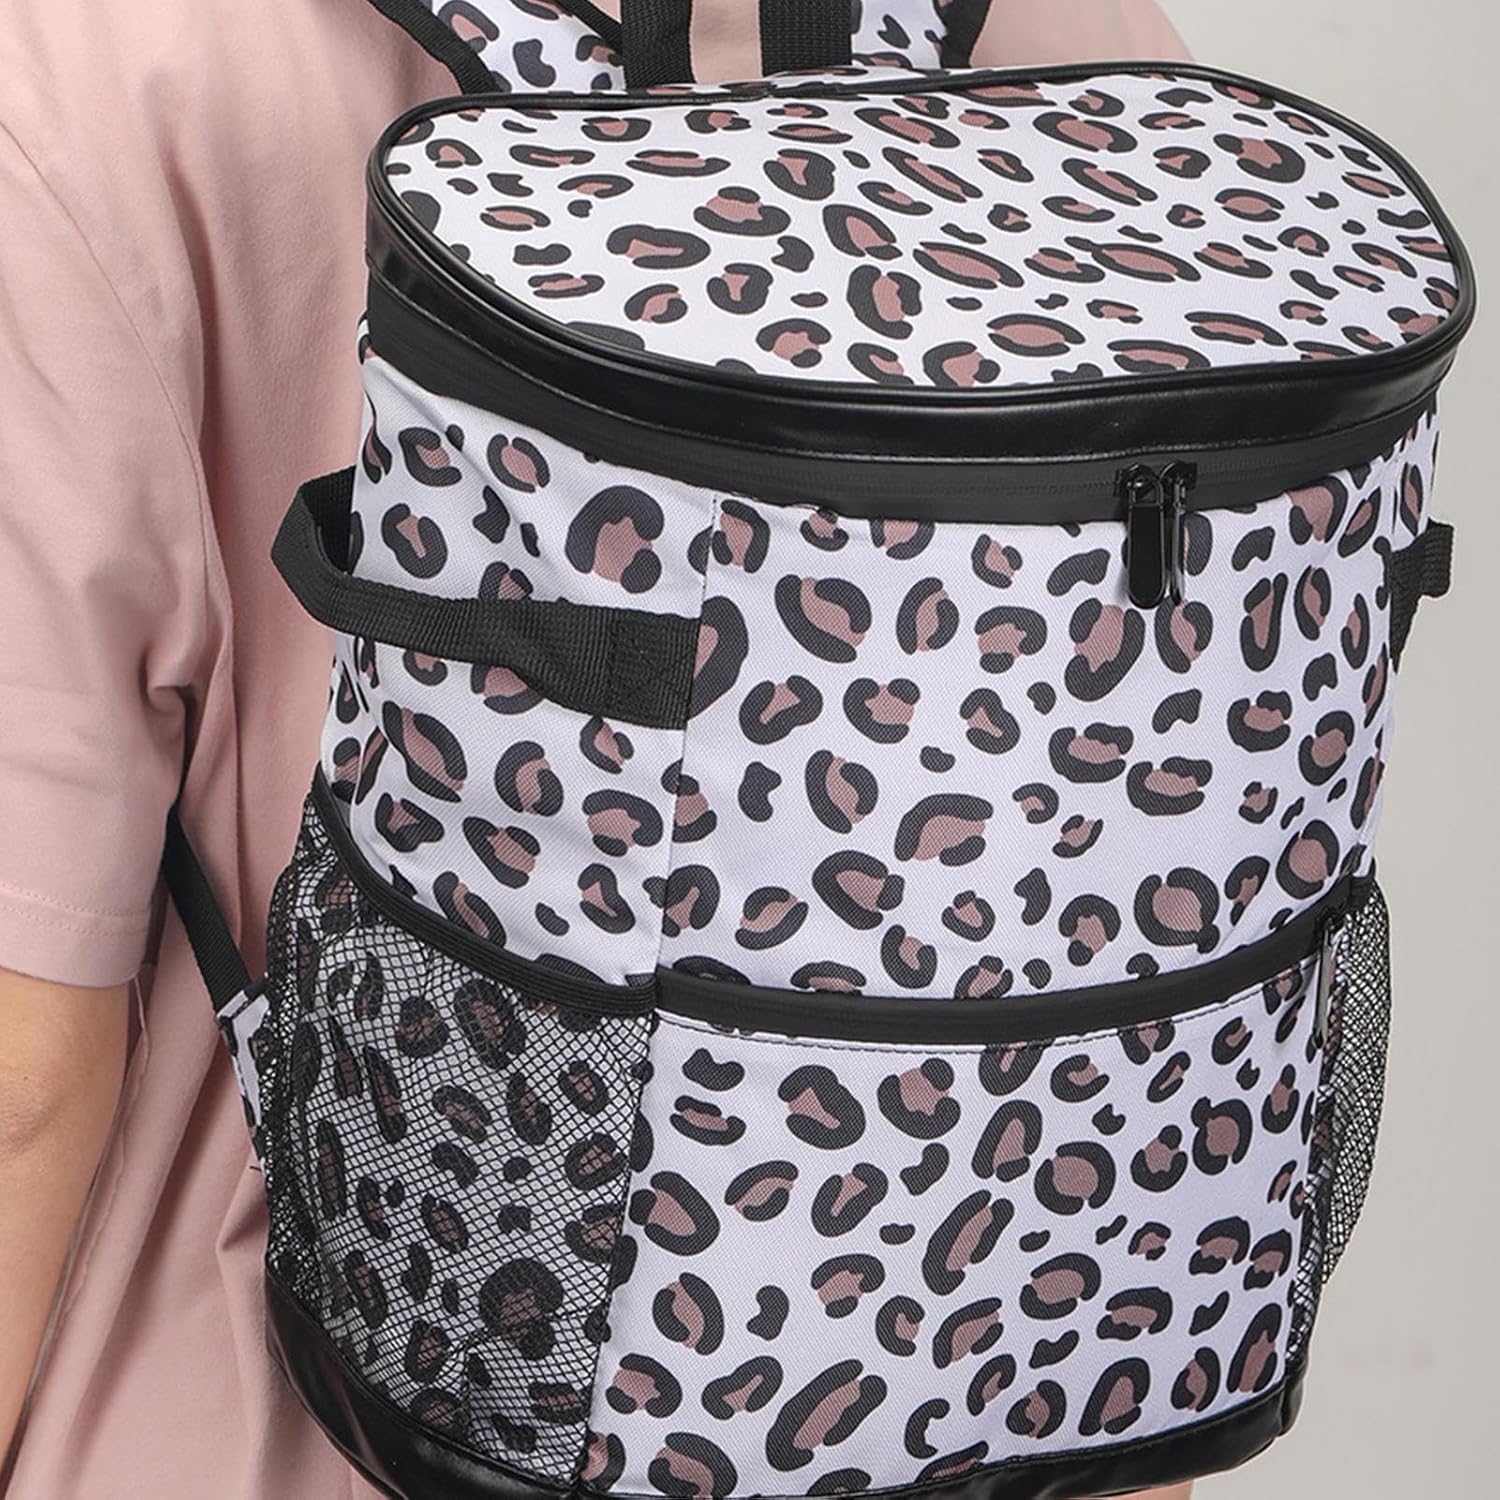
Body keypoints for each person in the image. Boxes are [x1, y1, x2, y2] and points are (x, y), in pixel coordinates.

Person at [0, 2, 1194, 1496]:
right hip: (976, 1371)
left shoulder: (91, 75)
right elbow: (1167, 874)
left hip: (295, 1404)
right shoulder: (1077, 48)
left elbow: (25, 1078)